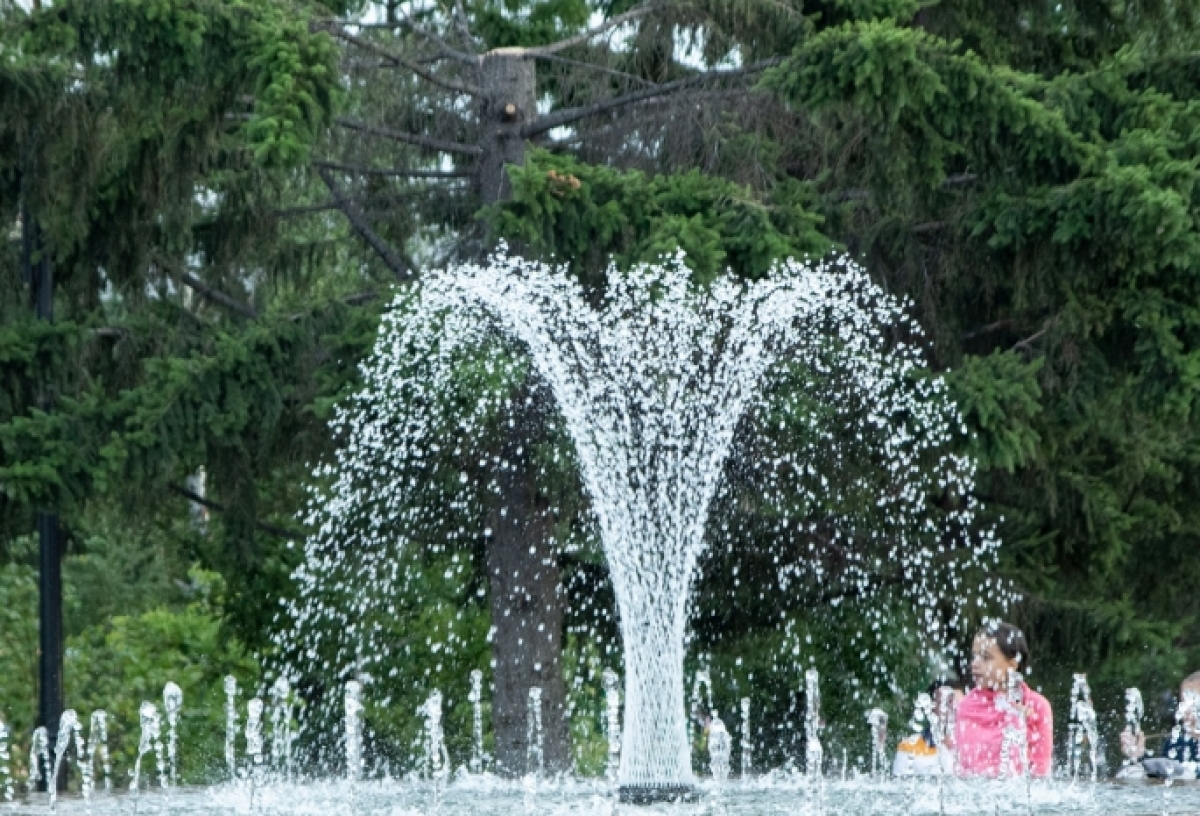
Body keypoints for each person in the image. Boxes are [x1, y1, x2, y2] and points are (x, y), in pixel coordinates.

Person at [955, 621, 1054, 777]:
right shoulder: (967, 706)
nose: (975, 664)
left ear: (1012, 664)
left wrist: (1020, 723)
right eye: (974, 656)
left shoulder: (1036, 706)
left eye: (985, 657)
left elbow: (1040, 772)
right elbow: (966, 768)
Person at [1120, 671, 1200, 779]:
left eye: (1194, 703)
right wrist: (1138, 757)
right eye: (1184, 703)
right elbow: (1159, 781)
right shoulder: (1175, 744)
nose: (1186, 711)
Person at [893, 679, 962, 776]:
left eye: (961, 703)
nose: (955, 708)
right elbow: (899, 784)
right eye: (948, 702)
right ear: (931, 707)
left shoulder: (975, 747)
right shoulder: (909, 747)